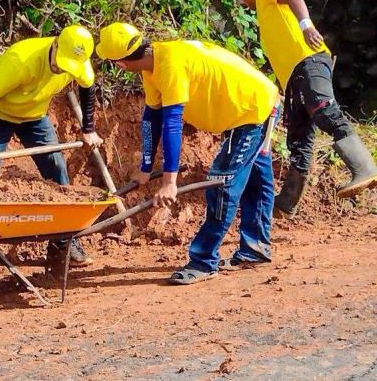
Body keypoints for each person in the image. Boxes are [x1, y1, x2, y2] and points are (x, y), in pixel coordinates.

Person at [97, 23, 280, 284]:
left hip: (253, 111)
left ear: (121, 63)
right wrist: (146, 168)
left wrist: (169, 182)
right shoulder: (155, 63)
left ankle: (204, 261)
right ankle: (255, 248)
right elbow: (152, 116)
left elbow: (173, 122)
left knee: (222, 183)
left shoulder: (171, 65)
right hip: (252, 104)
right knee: (256, 179)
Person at [237, 0, 377, 217]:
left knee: (324, 110)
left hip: (308, 61)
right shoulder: (268, 13)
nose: (242, 1)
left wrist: (306, 26)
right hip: (295, 74)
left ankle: (364, 166)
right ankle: (287, 202)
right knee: (299, 138)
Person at [0, 25, 103, 265]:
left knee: (57, 170)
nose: (61, 70)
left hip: (34, 116)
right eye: (60, 64)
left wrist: (89, 130)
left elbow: (88, 89)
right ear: (54, 46)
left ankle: (64, 243)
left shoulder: (78, 60)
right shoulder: (22, 59)